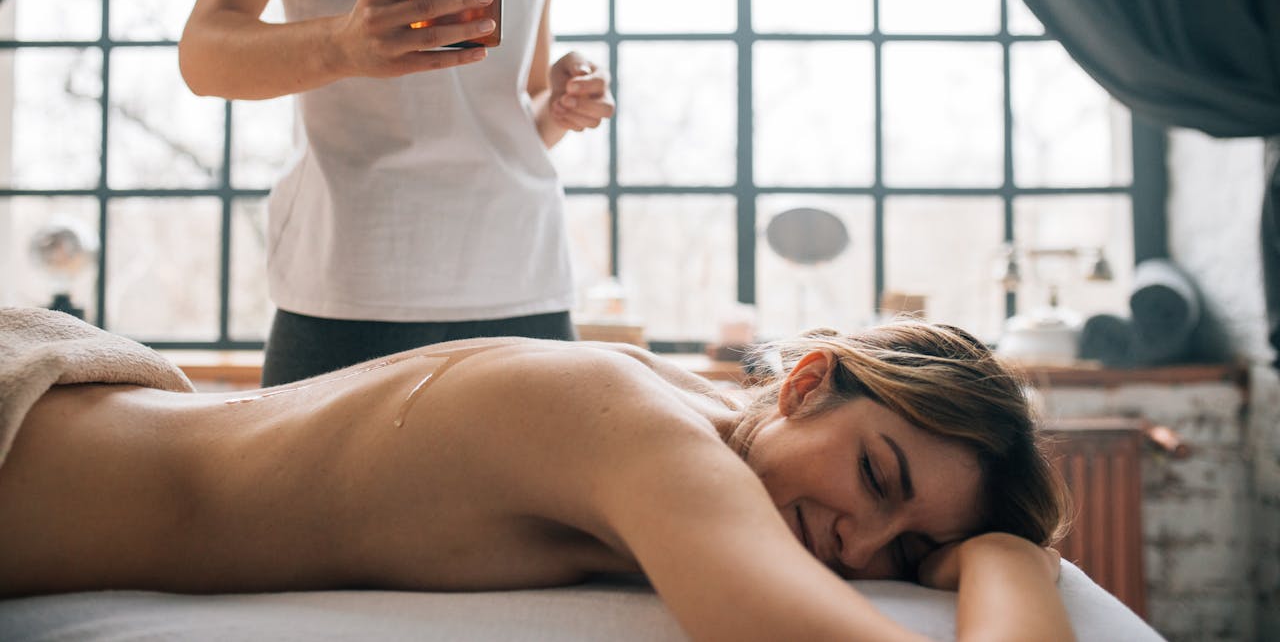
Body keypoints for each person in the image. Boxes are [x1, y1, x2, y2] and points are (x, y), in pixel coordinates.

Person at [0, 320, 1074, 642]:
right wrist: (1004, 555)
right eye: (875, 475)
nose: (858, 544)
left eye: (902, 548)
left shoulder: (684, 416)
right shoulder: (644, 435)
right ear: (802, 384)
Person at [178, 0, 613, 385]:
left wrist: (565, 104)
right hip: (358, 290)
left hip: (526, 285)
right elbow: (205, 54)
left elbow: (527, 106)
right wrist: (343, 45)